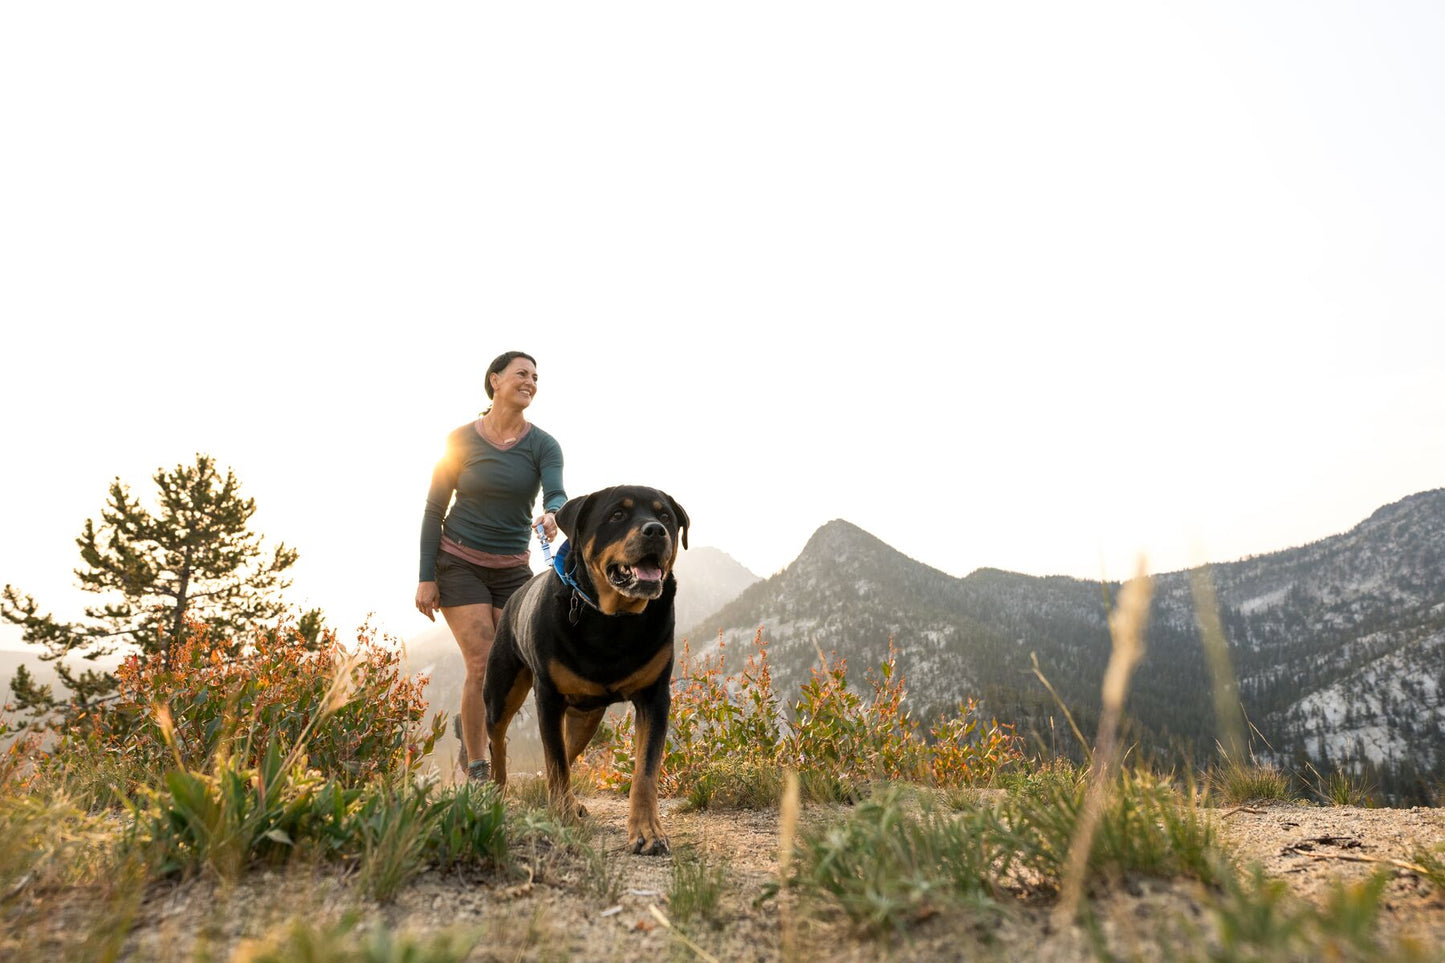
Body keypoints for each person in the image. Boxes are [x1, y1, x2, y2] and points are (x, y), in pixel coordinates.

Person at [416, 350, 566, 782]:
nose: (531, 382)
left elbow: (555, 492)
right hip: (458, 562)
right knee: (481, 662)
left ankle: (474, 727)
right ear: (495, 380)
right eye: (522, 374)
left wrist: (553, 513)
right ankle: (479, 766)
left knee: (517, 667)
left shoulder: (543, 445)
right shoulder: (460, 440)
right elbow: (433, 510)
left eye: (536, 377)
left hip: (513, 570)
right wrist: (427, 575)